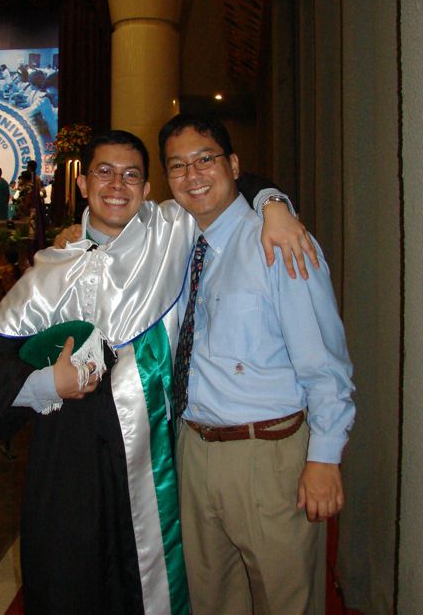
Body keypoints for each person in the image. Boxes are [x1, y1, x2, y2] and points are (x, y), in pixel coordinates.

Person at [0, 130, 315, 615]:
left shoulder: (172, 232)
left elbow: (227, 185)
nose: (117, 185)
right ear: (83, 183)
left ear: (147, 188)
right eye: (104, 172)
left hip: (155, 454)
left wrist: (274, 205)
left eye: (131, 175)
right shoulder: (49, 269)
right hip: (69, 462)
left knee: (154, 583)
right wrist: (46, 384)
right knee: (71, 583)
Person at [157, 113, 356, 615]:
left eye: (205, 159)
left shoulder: (279, 242)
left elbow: (324, 361)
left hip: (267, 455)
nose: (192, 174)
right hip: (193, 449)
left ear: (233, 165)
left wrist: (325, 456)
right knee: (212, 601)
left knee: (285, 601)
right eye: (177, 165)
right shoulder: (178, 242)